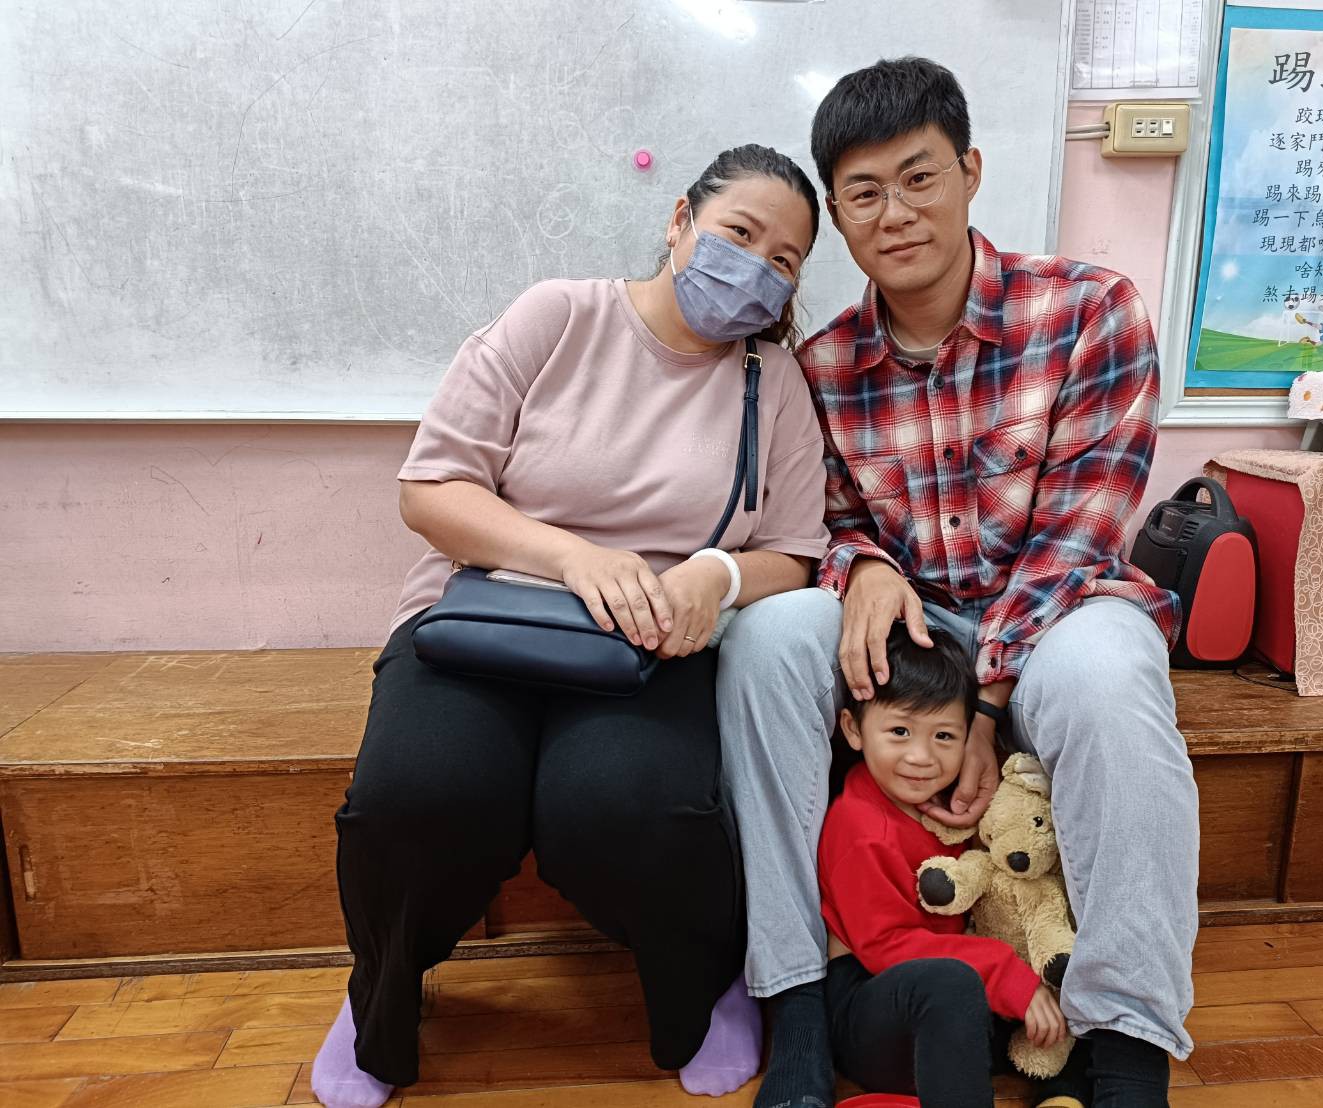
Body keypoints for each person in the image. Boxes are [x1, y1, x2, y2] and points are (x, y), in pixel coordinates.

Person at [717, 58, 1199, 1108]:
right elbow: (822, 520)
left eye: (918, 177)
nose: (893, 213)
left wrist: (982, 703)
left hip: (1061, 605)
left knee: (1112, 682)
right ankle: (796, 999)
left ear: (970, 172)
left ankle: (1125, 1043)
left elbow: (1078, 536)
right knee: (766, 641)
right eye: (862, 192)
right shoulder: (823, 366)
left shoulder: (1090, 311)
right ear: (837, 215)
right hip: (915, 618)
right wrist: (861, 566)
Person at [311, 144, 831, 1108]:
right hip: (482, 618)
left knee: (630, 807)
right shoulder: (557, 315)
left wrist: (713, 576)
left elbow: (794, 551)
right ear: (679, 220)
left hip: (647, 645)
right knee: (415, 796)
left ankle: (700, 989)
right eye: (739, 234)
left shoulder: (774, 382)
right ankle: (379, 991)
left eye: (785, 260)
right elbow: (431, 489)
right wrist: (573, 558)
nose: (756, 269)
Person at [822, 625, 1091, 1108]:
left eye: (944, 736)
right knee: (951, 983)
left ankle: (1063, 1095)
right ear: (854, 729)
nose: (921, 757)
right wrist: (1005, 974)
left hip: (960, 999)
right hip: (873, 1008)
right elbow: (888, 947)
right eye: (899, 732)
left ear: (968, 737)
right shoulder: (858, 827)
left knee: (1072, 977)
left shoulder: (955, 799)